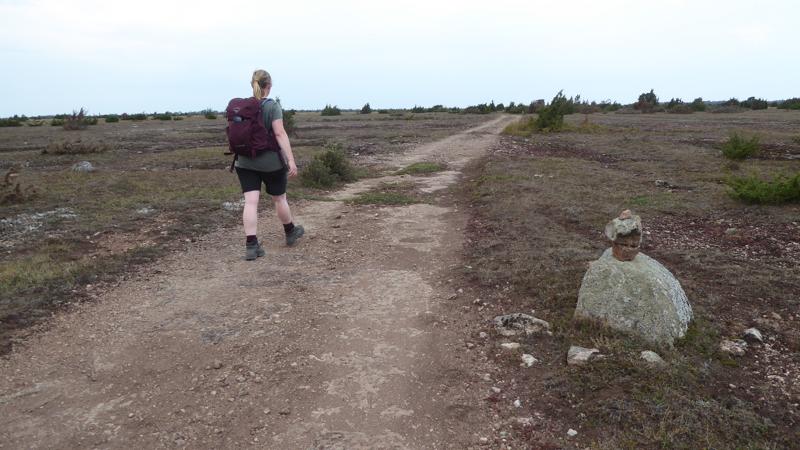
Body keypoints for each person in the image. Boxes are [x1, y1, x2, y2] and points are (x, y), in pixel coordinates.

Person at [235, 69, 304, 260]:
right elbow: (280, 133)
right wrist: (290, 160)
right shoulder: (272, 106)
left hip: (244, 161)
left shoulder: (242, 106)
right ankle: (290, 232)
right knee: (279, 198)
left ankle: (251, 245)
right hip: (271, 163)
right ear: (269, 86)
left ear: (253, 85)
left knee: (250, 202)